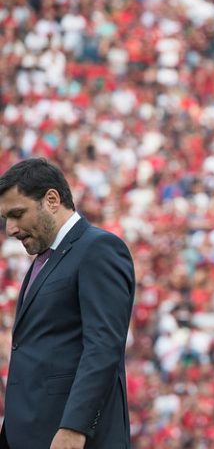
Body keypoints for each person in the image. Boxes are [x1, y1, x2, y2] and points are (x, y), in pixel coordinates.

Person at [0, 159, 135, 449]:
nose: (10, 229)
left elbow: (103, 346)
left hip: (69, 437)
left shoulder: (98, 248)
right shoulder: (44, 259)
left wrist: (74, 427)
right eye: (5, 219)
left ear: (51, 199)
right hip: (31, 433)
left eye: (17, 214)